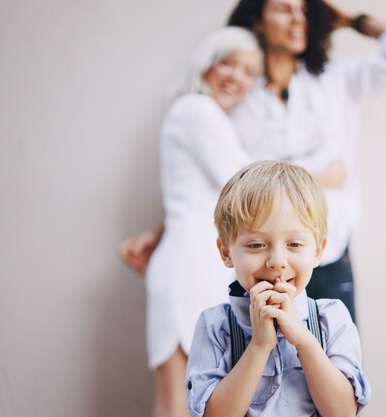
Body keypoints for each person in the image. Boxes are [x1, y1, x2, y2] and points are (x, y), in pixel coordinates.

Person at [228, 0, 386, 323]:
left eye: (304, 11)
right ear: (257, 20)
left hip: (330, 251)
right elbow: (223, 172)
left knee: (339, 366)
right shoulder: (238, 93)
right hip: (261, 260)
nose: (298, 19)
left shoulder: (334, 80)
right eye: (285, 9)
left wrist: (354, 21)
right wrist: (320, 176)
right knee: (263, 364)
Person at [139, 27, 262, 417]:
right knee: (178, 405)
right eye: (229, 63)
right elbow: (246, 184)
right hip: (187, 268)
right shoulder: (195, 109)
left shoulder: (209, 117)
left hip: (196, 264)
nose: (236, 78)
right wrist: (324, 176)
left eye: (248, 71)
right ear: (207, 62)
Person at [186, 160, 369, 417]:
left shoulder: (332, 320)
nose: (277, 262)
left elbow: (343, 413)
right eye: (256, 245)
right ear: (226, 252)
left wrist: (304, 341)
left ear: (317, 251)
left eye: (294, 244)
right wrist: (259, 347)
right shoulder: (215, 326)